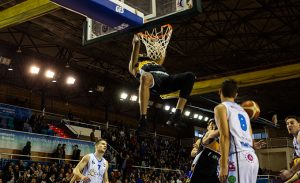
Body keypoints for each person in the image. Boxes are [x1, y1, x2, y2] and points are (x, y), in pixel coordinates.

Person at [128, 34, 195, 132]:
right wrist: (136, 42)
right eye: (140, 54)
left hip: (166, 79)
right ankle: (143, 118)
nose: (142, 54)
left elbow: (163, 53)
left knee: (190, 76)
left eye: (143, 54)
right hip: (154, 82)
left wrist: (156, 43)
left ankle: (177, 115)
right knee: (145, 76)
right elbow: (135, 51)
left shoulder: (155, 63)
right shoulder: (134, 66)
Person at [214, 79, 259, 183]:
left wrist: (223, 165)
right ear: (236, 95)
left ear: (219, 91)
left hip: (237, 157)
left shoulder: (221, 107)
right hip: (251, 157)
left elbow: (224, 136)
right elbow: (250, 135)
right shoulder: (244, 111)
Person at [280, 116, 300, 182]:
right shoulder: (294, 140)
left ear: (299, 125)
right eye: (287, 124)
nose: (289, 125)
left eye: (292, 123)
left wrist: (290, 172)